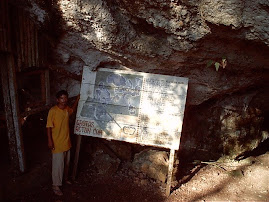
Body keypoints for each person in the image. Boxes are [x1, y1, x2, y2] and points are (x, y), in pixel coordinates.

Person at [46, 90, 80, 196]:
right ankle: (55, 185)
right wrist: (50, 141)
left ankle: (64, 179)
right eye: (61, 98)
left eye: (65, 98)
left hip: (66, 142)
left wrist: (78, 99)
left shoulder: (66, 109)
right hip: (57, 143)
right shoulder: (53, 111)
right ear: (57, 100)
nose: (64, 100)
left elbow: (72, 110)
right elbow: (48, 127)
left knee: (66, 163)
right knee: (58, 165)